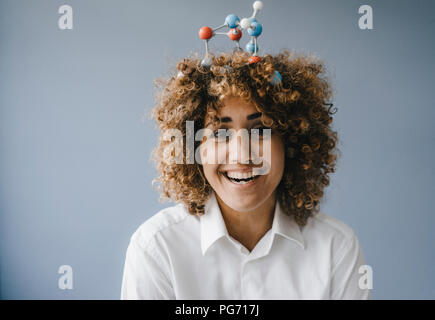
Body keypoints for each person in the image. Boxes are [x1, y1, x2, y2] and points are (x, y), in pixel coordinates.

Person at [120, 49, 370, 299]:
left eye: (260, 129)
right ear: (193, 147)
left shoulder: (336, 248)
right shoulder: (157, 248)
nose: (241, 154)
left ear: (291, 141)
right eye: (219, 132)